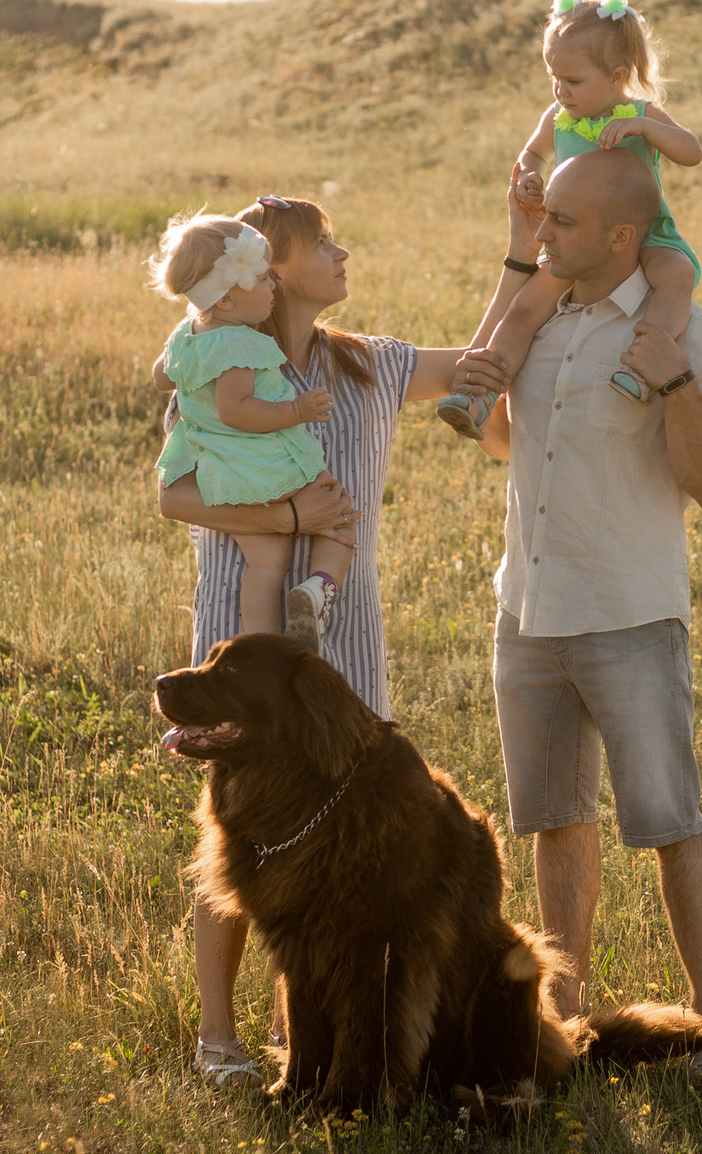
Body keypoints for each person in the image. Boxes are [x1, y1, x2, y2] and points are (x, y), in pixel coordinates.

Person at [157, 194, 481, 1087]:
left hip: (341, 640)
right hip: (239, 627)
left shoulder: (368, 367)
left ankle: (302, 1039)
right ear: (272, 269)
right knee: (237, 828)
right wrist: (288, 512)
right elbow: (175, 493)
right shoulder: (217, 367)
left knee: (337, 835)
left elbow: (485, 361)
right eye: (320, 244)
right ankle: (218, 1037)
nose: (342, 253)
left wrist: (525, 251)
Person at [456, 149, 702, 1083]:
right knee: (554, 817)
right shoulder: (541, 322)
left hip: (629, 609)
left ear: (624, 236)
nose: (547, 234)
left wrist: (672, 384)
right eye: (544, 218)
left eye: (565, 223)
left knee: (669, 818)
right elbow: (496, 435)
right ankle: (568, 1024)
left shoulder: (693, 336)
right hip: (530, 608)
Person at [437, 0, 702, 434]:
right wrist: (528, 174)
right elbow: (531, 153)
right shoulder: (558, 115)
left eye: (573, 80)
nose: (561, 89)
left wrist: (645, 127)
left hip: (644, 232)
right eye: (553, 77)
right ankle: (481, 394)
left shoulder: (637, 112)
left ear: (618, 76)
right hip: (576, 240)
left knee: (675, 275)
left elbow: (692, 152)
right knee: (525, 309)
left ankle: (641, 371)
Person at [147, 215, 346, 650]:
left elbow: (162, 377)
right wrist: (296, 408)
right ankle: (318, 590)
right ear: (226, 302)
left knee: (265, 565)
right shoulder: (239, 343)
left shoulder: (188, 334)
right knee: (338, 511)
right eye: (260, 279)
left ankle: (260, 646)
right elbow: (235, 411)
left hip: (216, 467)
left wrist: (190, 370)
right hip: (258, 462)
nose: (273, 285)